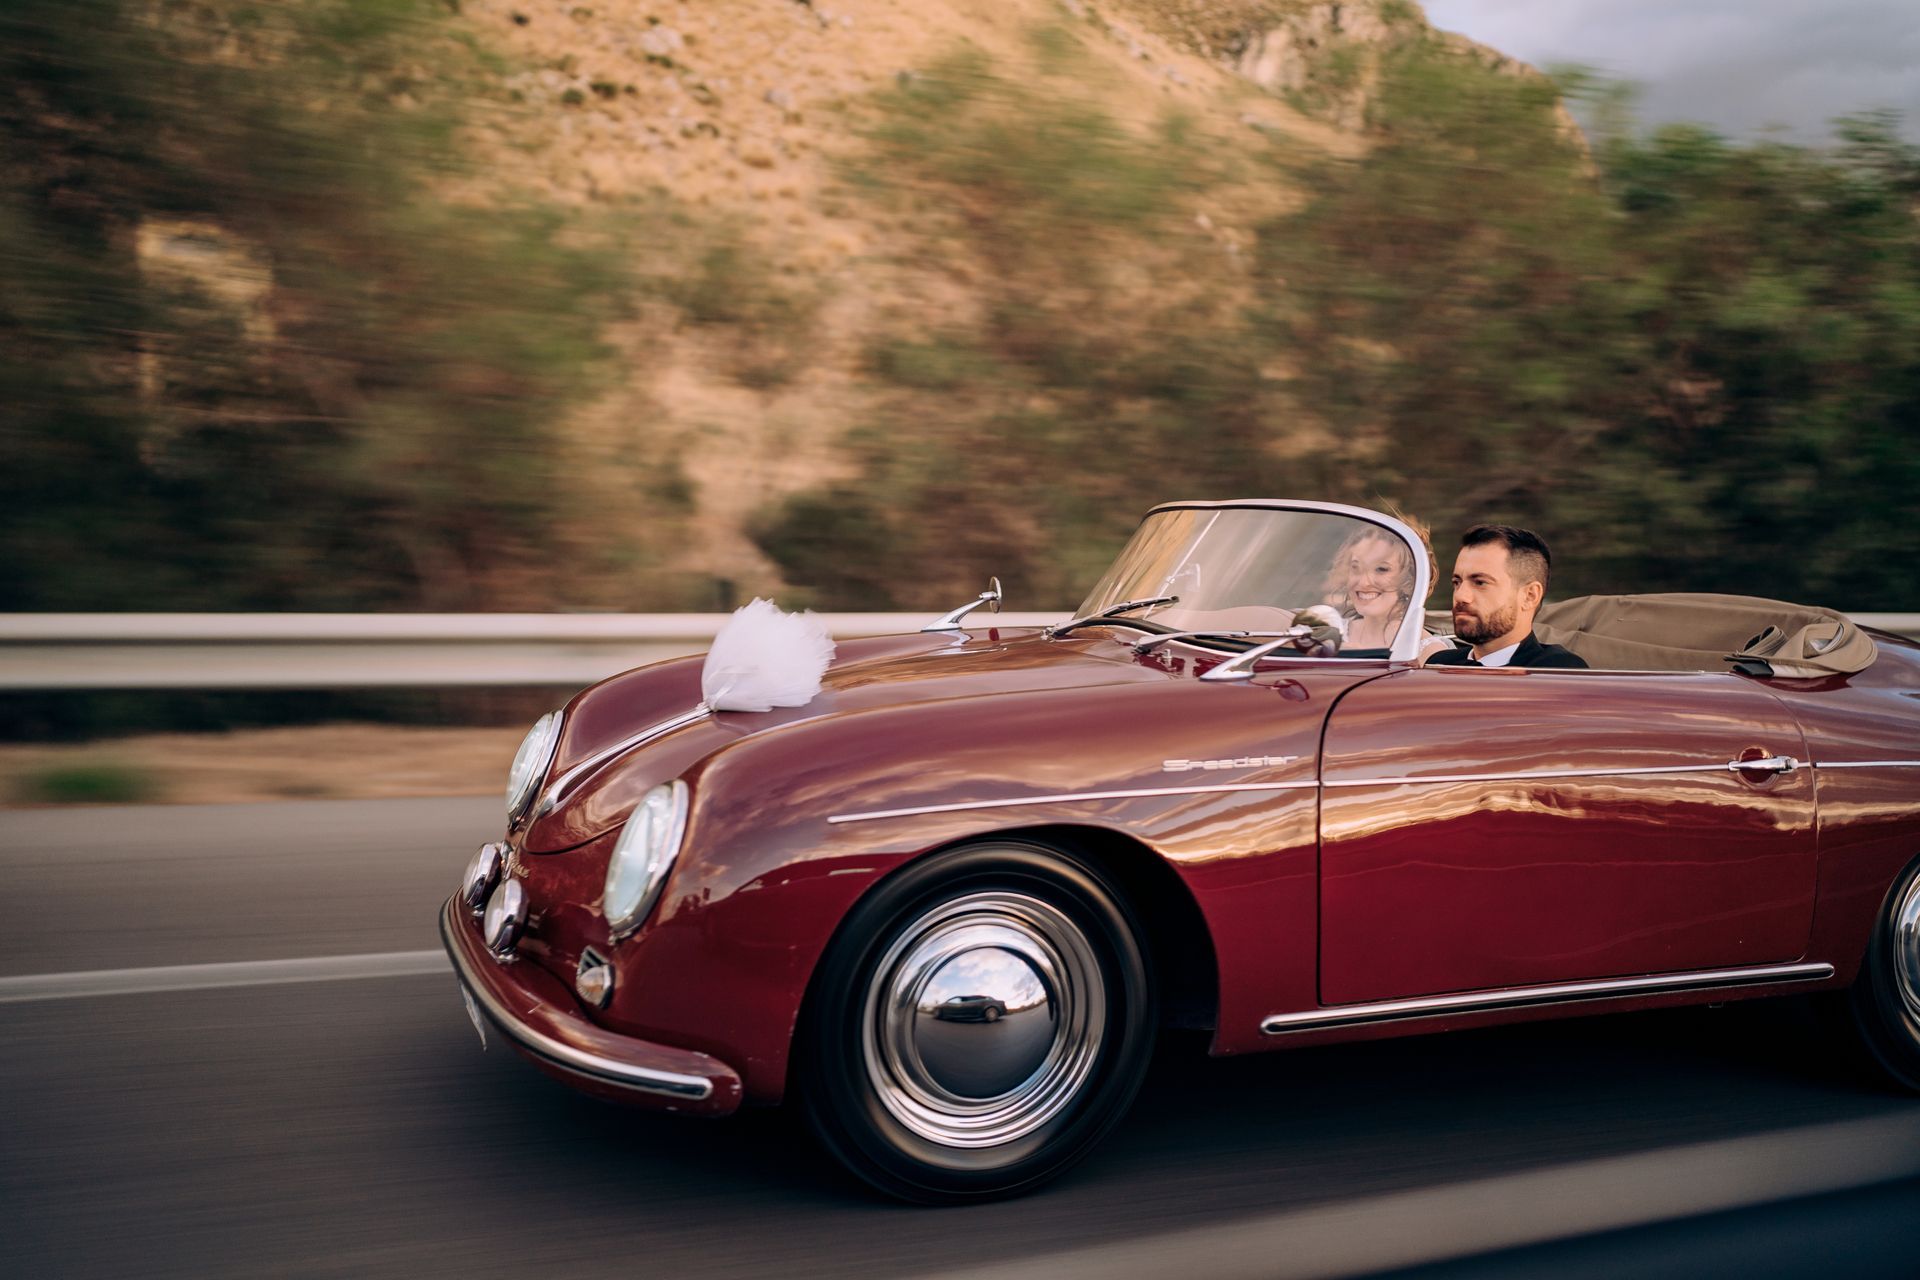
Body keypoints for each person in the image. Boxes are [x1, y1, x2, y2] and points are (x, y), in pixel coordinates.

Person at [1426, 524, 1587, 668]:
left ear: (1529, 596)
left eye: (1480, 583)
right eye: (1457, 582)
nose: (1461, 596)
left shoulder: (1559, 672)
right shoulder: (1439, 665)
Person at [1325, 509, 1451, 660]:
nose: (1364, 582)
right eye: (1356, 567)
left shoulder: (1428, 651)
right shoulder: (1330, 633)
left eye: (1381, 569)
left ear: (1410, 580)